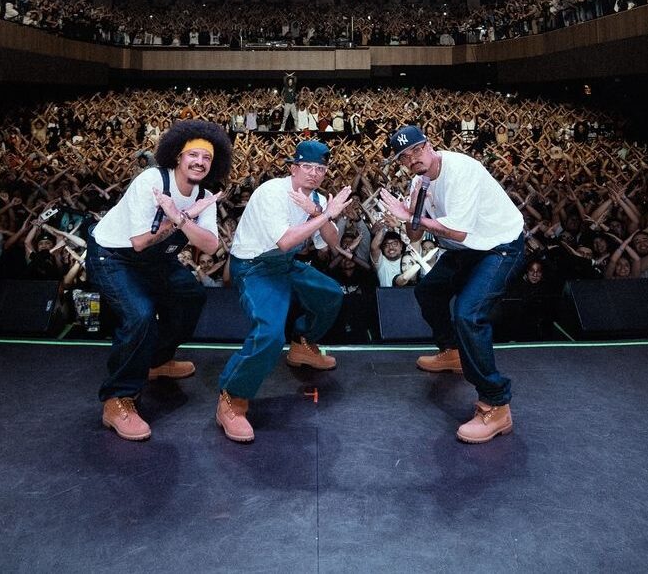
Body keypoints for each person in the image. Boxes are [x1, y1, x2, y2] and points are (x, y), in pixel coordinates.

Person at [87, 119, 233, 441]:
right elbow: (139, 240)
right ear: (177, 157)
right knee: (140, 317)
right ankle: (117, 400)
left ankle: (157, 360)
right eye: (192, 155)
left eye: (206, 157)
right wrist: (183, 220)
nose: (199, 162)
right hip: (113, 256)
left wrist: (182, 216)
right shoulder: (152, 180)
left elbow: (209, 245)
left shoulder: (203, 194)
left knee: (191, 296)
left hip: (154, 259)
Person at [379, 125, 525, 444]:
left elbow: (457, 232)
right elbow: (416, 234)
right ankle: (452, 352)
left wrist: (413, 217)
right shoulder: (420, 181)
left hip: (499, 246)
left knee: (468, 315)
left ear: (429, 146)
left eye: (417, 150)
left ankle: (496, 405)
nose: (413, 159)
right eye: (405, 156)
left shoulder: (462, 171)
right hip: (467, 249)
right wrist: (408, 216)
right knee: (427, 290)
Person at [215, 140, 352, 443]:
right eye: (307, 167)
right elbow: (286, 241)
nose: (314, 173)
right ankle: (232, 397)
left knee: (330, 294)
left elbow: (330, 241)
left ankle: (303, 343)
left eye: (320, 168)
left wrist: (320, 211)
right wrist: (325, 214)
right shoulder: (272, 192)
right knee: (269, 334)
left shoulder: (315, 197)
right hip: (255, 267)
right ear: (293, 168)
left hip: (285, 264)